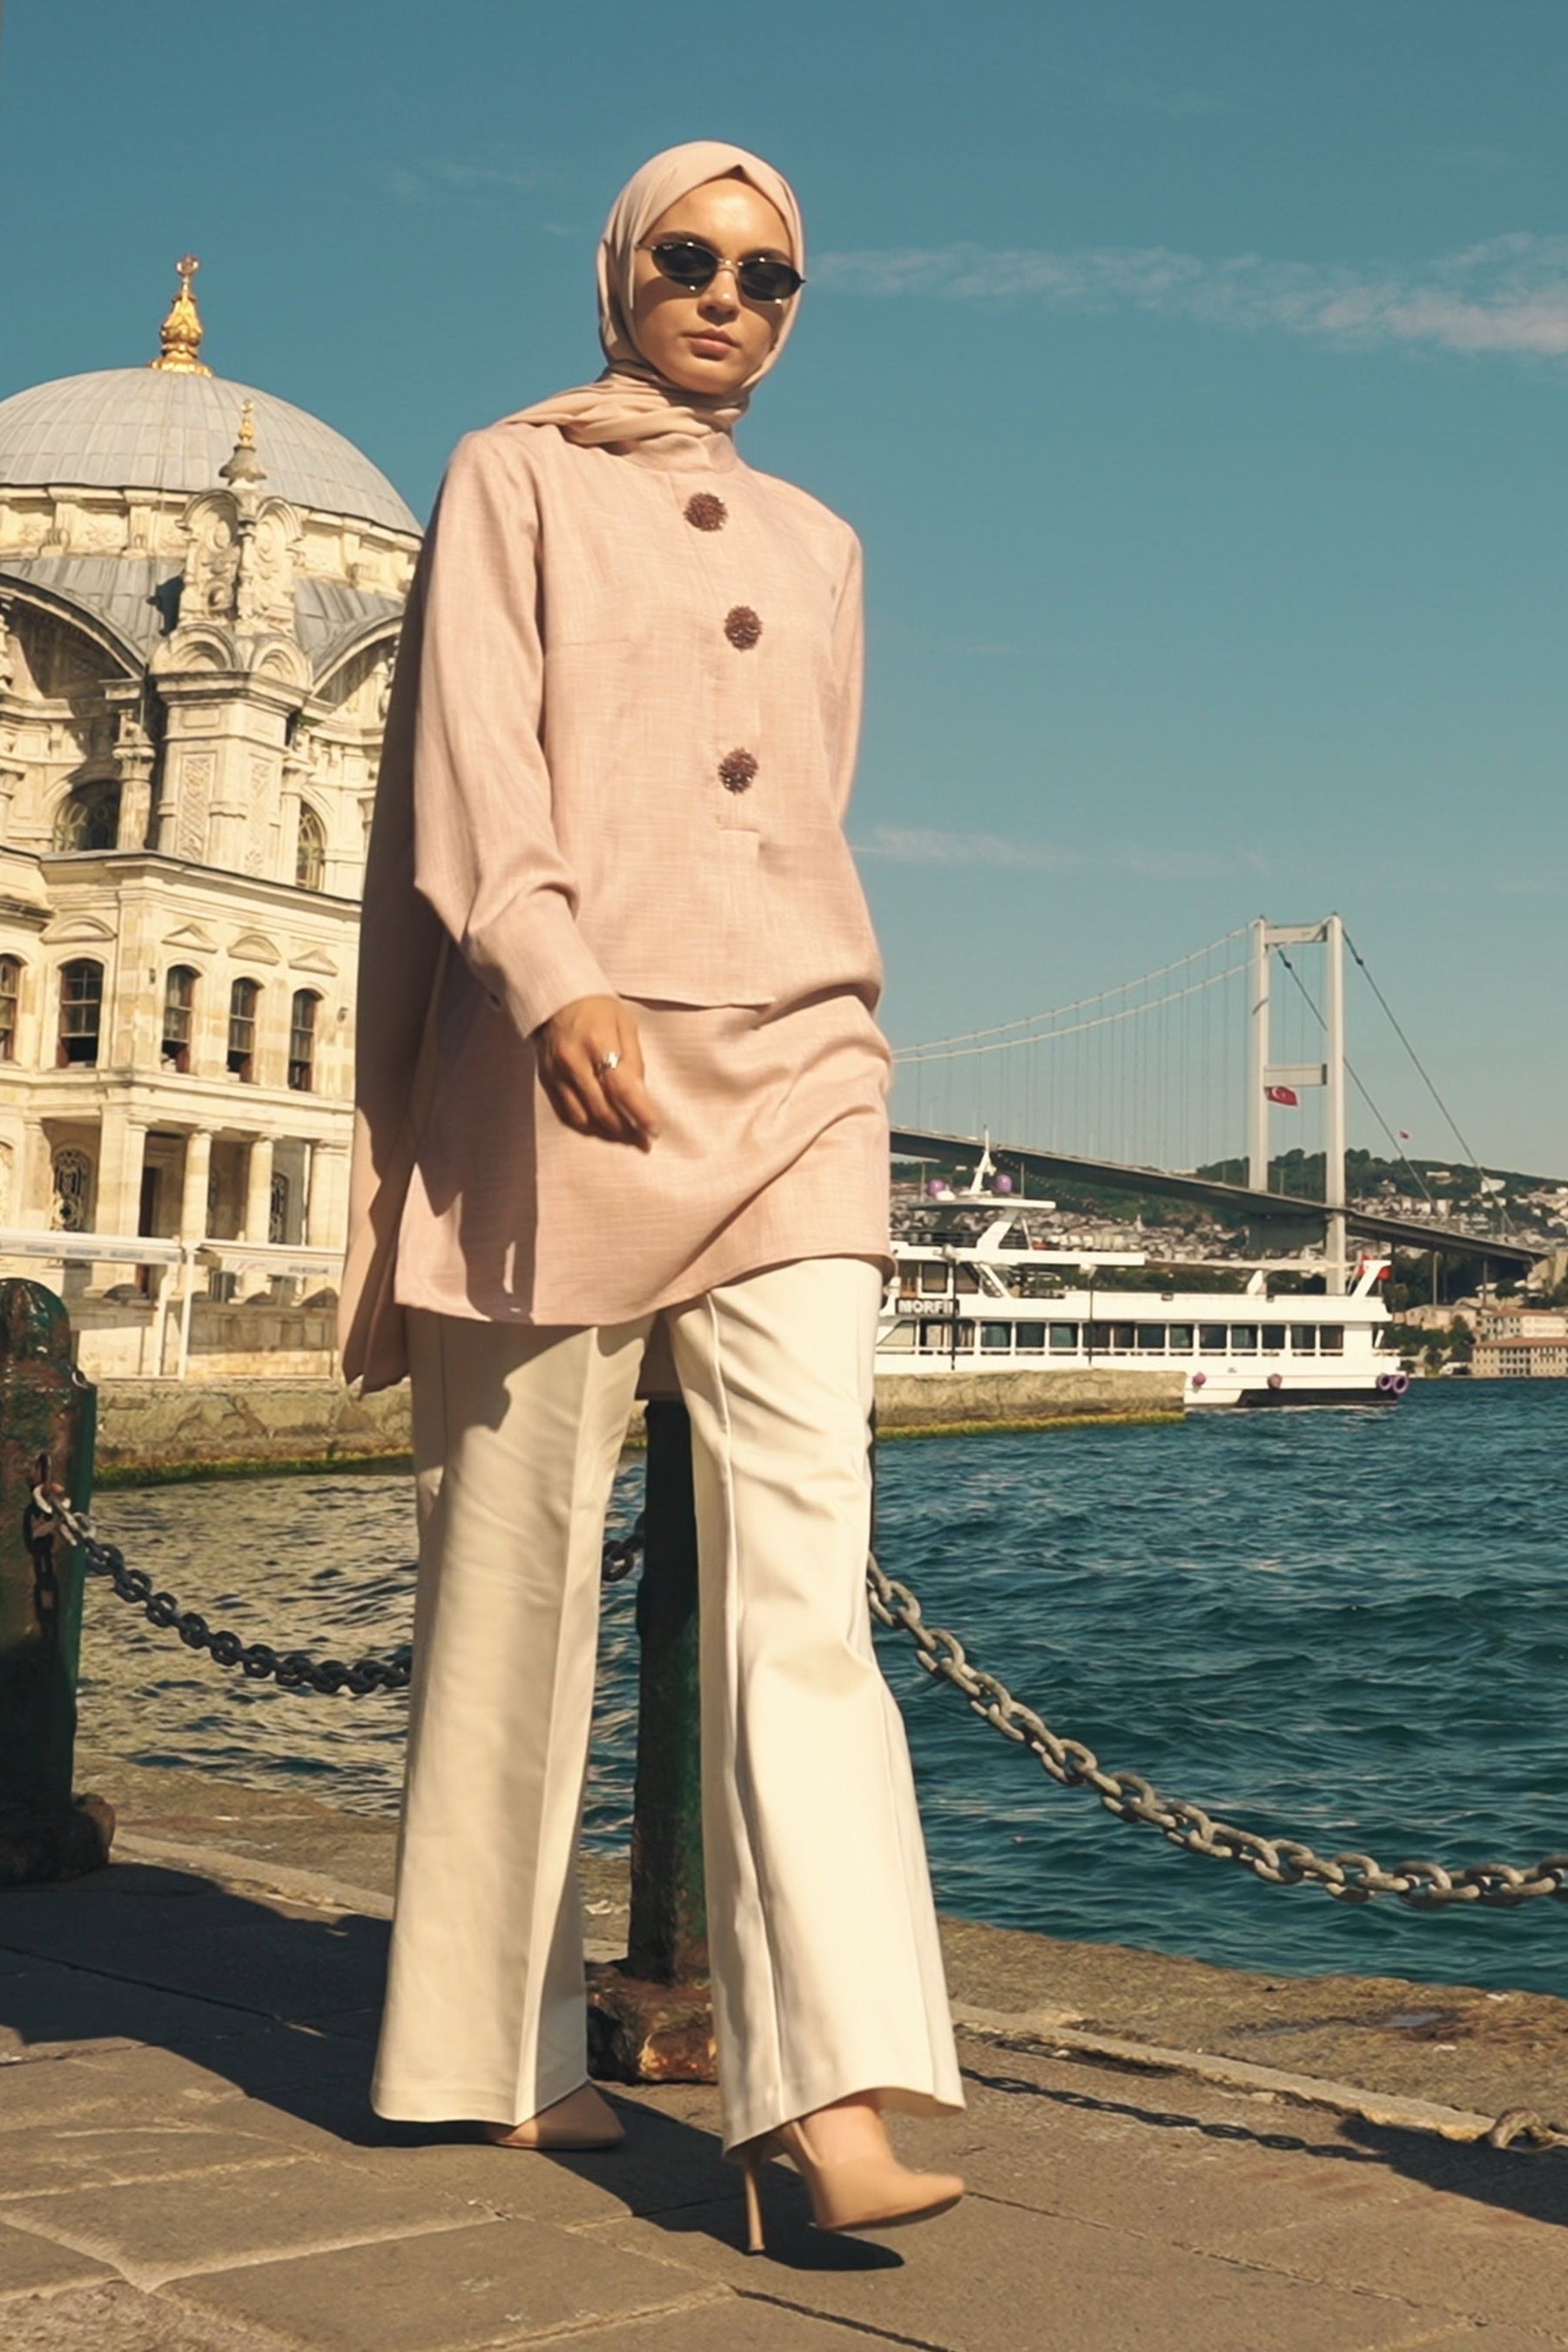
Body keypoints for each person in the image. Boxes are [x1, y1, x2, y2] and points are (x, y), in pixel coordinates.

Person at [342, 139, 964, 2254]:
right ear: (614, 274)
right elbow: (470, 751)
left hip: (801, 1058)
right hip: (563, 1055)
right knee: (510, 1571)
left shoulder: (827, 540)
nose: (728, 294)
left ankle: (833, 2087)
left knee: (804, 1578)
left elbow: (802, 798)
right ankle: (486, 2054)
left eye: (771, 274)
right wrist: (543, 964)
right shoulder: (503, 475)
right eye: (688, 259)